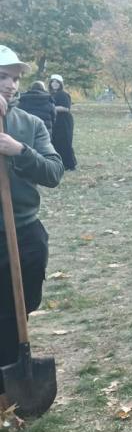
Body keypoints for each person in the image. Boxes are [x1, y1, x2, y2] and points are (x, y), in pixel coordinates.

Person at [0, 46, 64, 411]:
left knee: (21, 306)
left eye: (15, 78)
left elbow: (54, 172)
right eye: (2, 77)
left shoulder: (29, 124)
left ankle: (14, 373)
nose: (11, 85)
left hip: (24, 232)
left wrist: (19, 151)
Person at [48, 74, 77, 171]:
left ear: (60, 84)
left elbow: (66, 108)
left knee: (65, 142)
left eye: (57, 82)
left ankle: (70, 165)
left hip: (64, 121)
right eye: (53, 82)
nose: (54, 84)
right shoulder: (50, 94)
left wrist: (51, 108)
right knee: (55, 142)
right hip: (54, 121)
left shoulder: (63, 94)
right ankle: (59, 164)